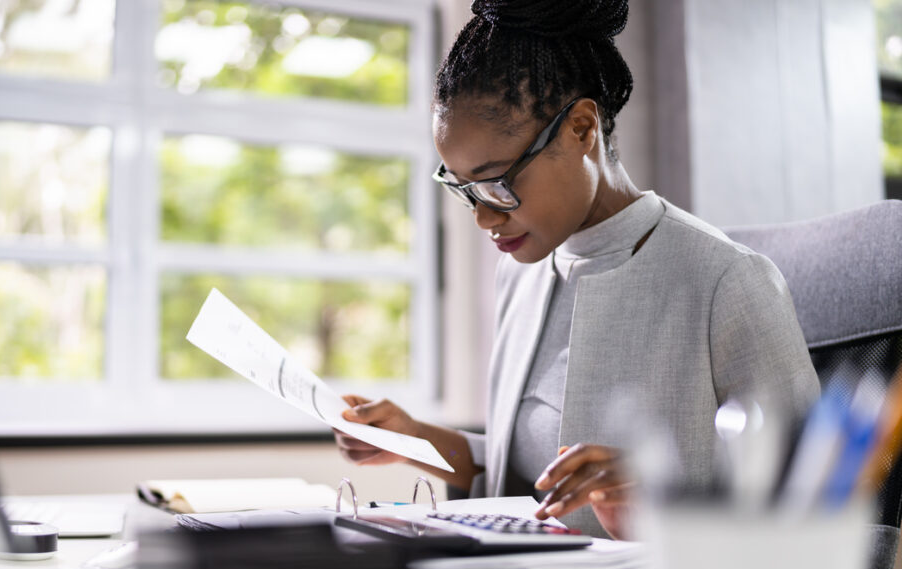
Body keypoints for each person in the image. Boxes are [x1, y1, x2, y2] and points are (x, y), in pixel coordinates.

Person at [332, 0, 819, 539]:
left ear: (582, 129)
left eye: (497, 183)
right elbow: (521, 480)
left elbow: (818, 500)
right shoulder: (522, 272)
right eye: (463, 188)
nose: (483, 216)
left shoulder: (724, 280)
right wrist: (410, 436)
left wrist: (654, 498)